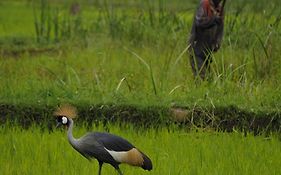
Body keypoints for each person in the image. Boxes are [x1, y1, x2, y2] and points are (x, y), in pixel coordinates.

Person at [188, 0, 225, 79]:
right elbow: (199, 22)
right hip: (196, 48)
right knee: (201, 77)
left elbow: (220, 28)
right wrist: (213, 20)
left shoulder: (220, 8)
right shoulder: (204, 4)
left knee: (208, 79)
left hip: (208, 50)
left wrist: (218, 42)